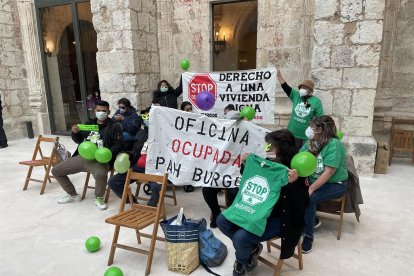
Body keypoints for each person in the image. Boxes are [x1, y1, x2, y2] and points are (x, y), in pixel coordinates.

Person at [216, 130, 309, 276]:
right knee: (222, 221)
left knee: (240, 238)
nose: (267, 149)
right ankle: (249, 250)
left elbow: (303, 204)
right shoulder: (269, 161)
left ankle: (242, 259)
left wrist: (293, 184)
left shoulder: (295, 168)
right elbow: (254, 179)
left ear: (282, 148)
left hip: (282, 219)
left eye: (271, 146)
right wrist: (245, 165)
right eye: (267, 146)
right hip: (256, 211)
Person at [52, 101, 123, 210]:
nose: (101, 113)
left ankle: (99, 198)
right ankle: (73, 195)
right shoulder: (89, 124)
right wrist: (75, 133)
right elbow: (79, 140)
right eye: (98, 110)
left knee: (101, 174)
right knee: (56, 171)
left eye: (104, 111)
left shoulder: (114, 126)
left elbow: (118, 144)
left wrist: (106, 153)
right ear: (95, 111)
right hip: (83, 157)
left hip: (100, 159)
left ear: (108, 112)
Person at [300, 115, 348, 253]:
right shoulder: (312, 141)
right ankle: (312, 220)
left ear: (320, 129)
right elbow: (300, 157)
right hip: (315, 179)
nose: (309, 130)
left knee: (311, 197)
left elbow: (328, 172)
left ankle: (308, 236)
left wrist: (311, 188)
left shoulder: (334, 144)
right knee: (293, 190)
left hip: (336, 183)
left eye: (312, 128)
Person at [108, 106, 160, 207]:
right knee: (113, 182)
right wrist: (128, 154)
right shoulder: (141, 133)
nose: (147, 119)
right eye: (145, 116)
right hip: (139, 166)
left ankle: (152, 208)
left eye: (150, 116)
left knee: (157, 186)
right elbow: (135, 151)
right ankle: (132, 202)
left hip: (156, 168)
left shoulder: (165, 135)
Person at [277, 70, 323, 149]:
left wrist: (314, 129)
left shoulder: (316, 101)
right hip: (292, 133)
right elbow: (285, 87)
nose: (302, 89)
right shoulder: (296, 96)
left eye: (304, 88)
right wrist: (279, 76)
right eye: (301, 87)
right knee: (290, 154)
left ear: (309, 90)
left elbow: (320, 117)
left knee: (301, 155)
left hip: (305, 136)